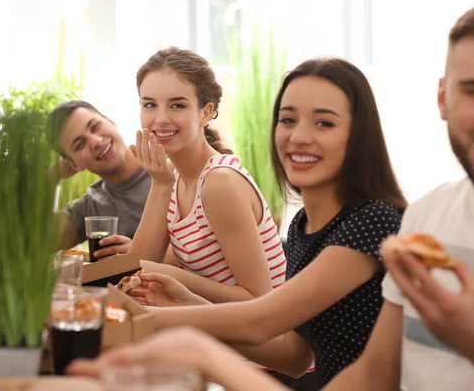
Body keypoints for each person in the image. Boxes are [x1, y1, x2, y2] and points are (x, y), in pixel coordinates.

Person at [72, 56, 407, 389]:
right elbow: (295, 356)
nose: (299, 137)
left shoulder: (373, 223)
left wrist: (133, 321)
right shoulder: (305, 225)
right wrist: (185, 302)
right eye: (288, 120)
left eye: (324, 123)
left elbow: (260, 319)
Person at [321, 6, 474, 390]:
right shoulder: (425, 217)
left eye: (325, 121)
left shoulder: (374, 219)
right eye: (473, 90)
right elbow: (375, 372)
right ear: (442, 98)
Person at [127, 46, 287, 304]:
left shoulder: (219, 182)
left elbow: (259, 300)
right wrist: (161, 183)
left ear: (205, 112)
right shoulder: (172, 177)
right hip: (214, 326)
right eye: (149, 105)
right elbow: (134, 270)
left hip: (262, 338)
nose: (160, 118)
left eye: (177, 105)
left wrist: (172, 275)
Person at [46, 100, 151, 259]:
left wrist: (138, 253)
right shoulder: (90, 206)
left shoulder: (170, 170)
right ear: (74, 163)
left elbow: (201, 246)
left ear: (110, 121)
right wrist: (51, 178)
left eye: (95, 127)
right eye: (80, 144)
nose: (96, 141)